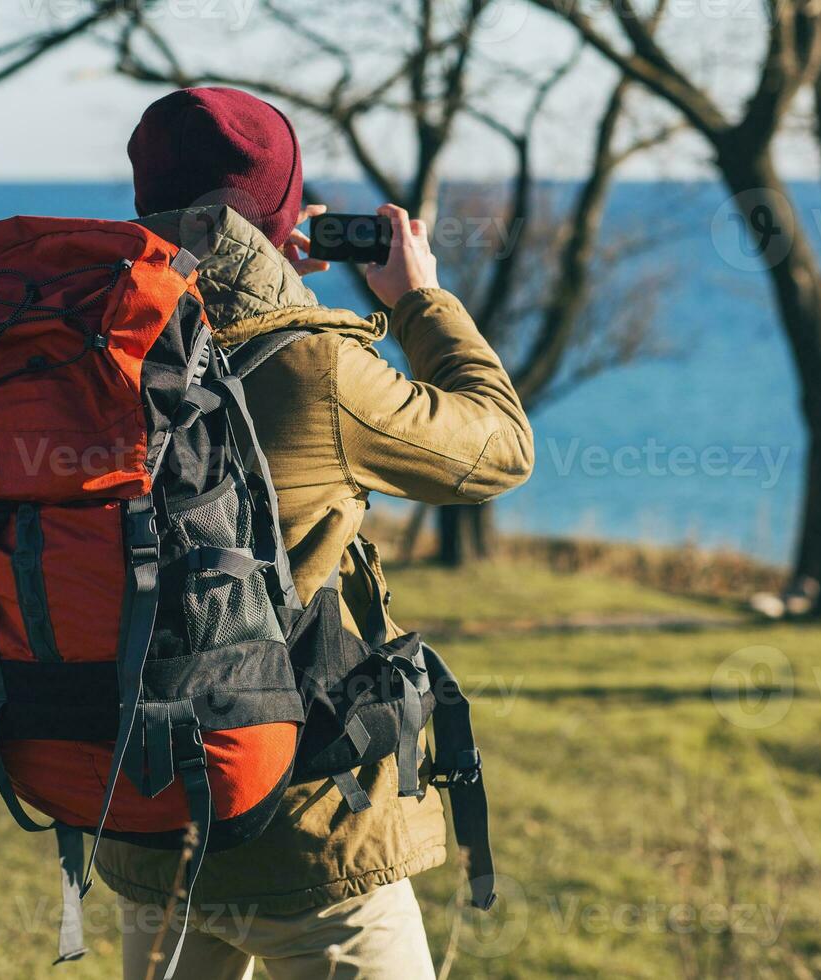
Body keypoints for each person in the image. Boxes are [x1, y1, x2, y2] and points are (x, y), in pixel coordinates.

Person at [99, 85, 535, 979]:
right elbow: (498, 449)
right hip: (305, 836)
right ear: (283, 216)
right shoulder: (317, 364)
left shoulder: (93, 347)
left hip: (145, 823)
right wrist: (418, 301)